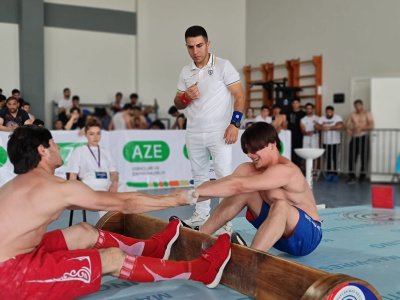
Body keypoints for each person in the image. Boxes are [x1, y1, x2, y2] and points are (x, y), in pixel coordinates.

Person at [0, 125, 231, 299]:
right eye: (53, 144)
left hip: (17, 256)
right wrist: (179, 198)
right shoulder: (54, 188)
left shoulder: (12, 186)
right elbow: (125, 203)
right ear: (43, 151)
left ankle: (153, 248)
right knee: (111, 259)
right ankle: (201, 271)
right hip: (10, 277)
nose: (58, 147)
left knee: (83, 232)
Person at [192, 122, 321, 255]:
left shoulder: (286, 170)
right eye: (247, 151)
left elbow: (238, 185)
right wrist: (188, 195)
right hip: (278, 237)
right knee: (242, 193)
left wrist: (180, 198)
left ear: (272, 145)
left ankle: (250, 257)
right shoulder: (247, 168)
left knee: (280, 205)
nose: (249, 154)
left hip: (307, 237)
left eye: (254, 150)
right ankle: (198, 238)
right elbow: (225, 185)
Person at [174, 25, 245, 229]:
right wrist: (186, 97)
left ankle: (225, 222)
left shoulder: (223, 66)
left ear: (208, 44)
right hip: (194, 131)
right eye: (190, 47)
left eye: (199, 46)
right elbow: (177, 103)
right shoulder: (185, 71)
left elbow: (239, 95)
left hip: (220, 131)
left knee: (223, 175)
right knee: (199, 175)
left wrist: (235, 124)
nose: (195, 51)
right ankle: (201, 215)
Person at [67, 118, 119, 218]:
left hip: (107, 186)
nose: (95, 137)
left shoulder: (106, 151)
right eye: (91, 134)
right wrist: (73, 194)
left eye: (98, 133)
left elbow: (114, 173)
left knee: (130, 194)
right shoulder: (79, 151)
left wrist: (114, 184)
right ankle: (107, 228)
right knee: (107, 204)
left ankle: (114, 227)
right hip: (89, 187)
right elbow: (72, 175)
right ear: (86, 134)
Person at [345, 99, 374, 184]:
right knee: (351, 158)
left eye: (359, 105)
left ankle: (362, 177)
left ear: (362, 105)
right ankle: (352, 176)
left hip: (363, 137)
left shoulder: (367, 114)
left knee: (364, 158)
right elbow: (347, 124)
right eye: (356, 106)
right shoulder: (352, 114)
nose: (358, 107)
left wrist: (362, 128)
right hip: (354, 138)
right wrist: (348, 129)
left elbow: (371, 125)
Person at [315, 106, 343, 182]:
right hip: (326, 142)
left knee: (335, 158)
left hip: (335, 142)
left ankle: (335, 173)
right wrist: (322, 128)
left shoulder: (337, 118)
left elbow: (340, 125)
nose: (328, 113)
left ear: (333, 112)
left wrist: (329, 128)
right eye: (327, 112)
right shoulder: (322, 118)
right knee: (327, 158)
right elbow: (316, 126)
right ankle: (329, 173)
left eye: (330, 112)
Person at [287, 99, 306, 169]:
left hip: (300, 135)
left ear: (299, 104)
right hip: (290, 135)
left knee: (299, 151)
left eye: (297, 103)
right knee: (291, 151)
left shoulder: (303, 113)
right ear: (292, 104)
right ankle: (292, 167)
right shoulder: (288, 113)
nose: (295, 104)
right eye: (294, 103)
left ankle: (299, 167)